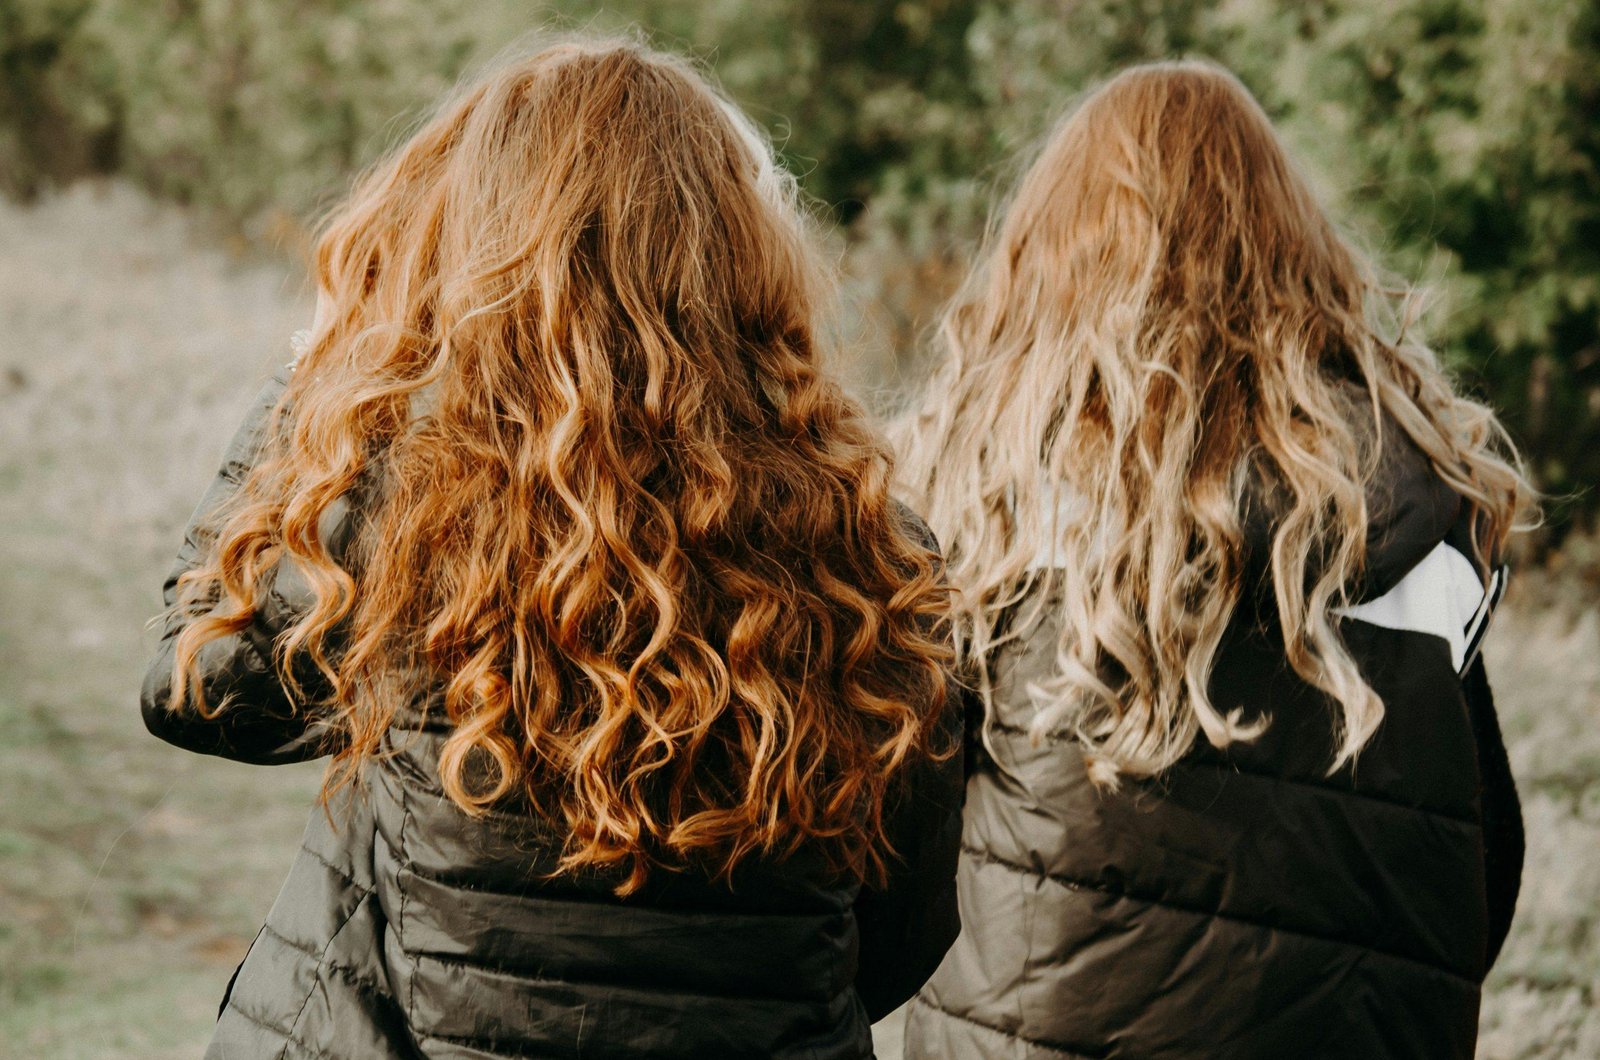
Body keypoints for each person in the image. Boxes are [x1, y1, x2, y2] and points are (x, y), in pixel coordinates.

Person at [141, 38, 962, 1060]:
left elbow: (200, 690)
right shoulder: (877, 555)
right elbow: (898, 933)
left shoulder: (400, 522)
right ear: (744, 264)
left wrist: (317, 385)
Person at [895, 60, 1531, 1060]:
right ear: (1299, 257)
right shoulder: (1420, 510)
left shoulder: (996, 503)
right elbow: (1478, 870)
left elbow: (901, 866)